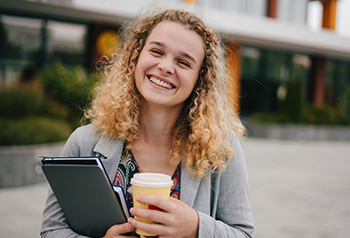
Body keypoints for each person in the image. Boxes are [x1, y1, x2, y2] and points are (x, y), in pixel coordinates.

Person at [41, 8, 254, 238]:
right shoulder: (84, 142)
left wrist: (196, 226)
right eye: (156, 51)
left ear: (199, 79)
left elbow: (243, 234)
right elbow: (52, 230)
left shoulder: (220, 149)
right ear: (136, 56)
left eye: (183, 62)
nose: (165, 66)